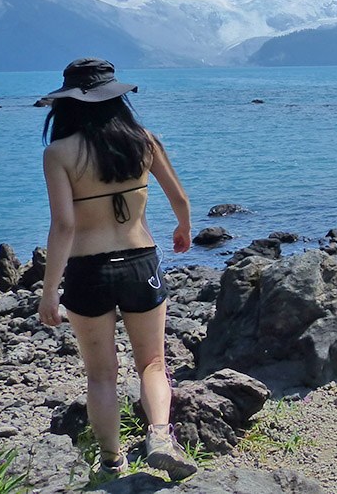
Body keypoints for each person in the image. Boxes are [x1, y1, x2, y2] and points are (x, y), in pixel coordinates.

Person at [38, 58, 197, 480]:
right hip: (140, 261)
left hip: (87, 271)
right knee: (153, 363)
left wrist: (50, 289)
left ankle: (111, 462)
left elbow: (64, 225)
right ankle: (160, 436)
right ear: (117, 99)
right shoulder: (145, 141)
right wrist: (183, 229)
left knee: (102, 374)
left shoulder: (58, 153)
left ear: (67, 104)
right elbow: (179, 199)